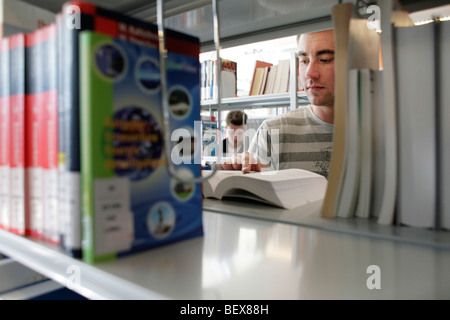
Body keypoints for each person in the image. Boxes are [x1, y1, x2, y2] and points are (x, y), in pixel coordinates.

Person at [221, 29, 335, 177]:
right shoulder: (273, 132)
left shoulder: (374, 130)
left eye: (325, 59)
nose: (309, 73)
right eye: (304, 61)